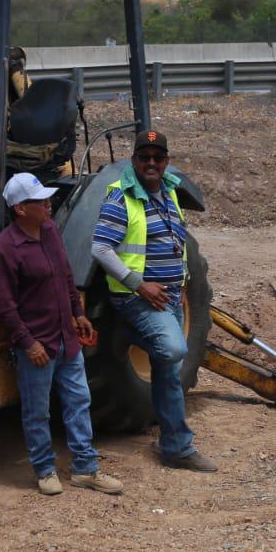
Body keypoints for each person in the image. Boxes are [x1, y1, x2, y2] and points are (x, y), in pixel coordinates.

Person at [91, 130, 218, 472]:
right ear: (133, 161)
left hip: (171, 299)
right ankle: (130, 335)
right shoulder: (121, 198)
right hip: (140, 299)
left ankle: (176, 447)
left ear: (165, 162)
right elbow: (100, 248)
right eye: (144, 157)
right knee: (175, 350)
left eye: (157, 158)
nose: (151, 163)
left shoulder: (169, 192)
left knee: (169, 372)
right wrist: (139, 285)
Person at [0, 172, 124, 497]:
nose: (48, 205)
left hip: (66, 338)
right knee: (38, 411)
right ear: (21, 209)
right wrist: (28, 343)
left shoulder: (50, 231)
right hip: (38, 345)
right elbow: (5, 306)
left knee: (79, 401)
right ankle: (45, 470)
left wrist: (78, 314)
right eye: (40, 201)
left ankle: (85, 468)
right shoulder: (5, 248)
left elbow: (65, 275)